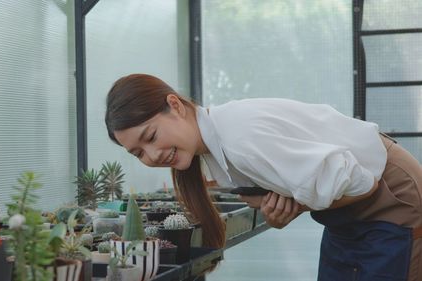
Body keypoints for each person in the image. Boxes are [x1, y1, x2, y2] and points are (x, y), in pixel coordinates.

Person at [105, 73, 422, 281]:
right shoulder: (214, 151)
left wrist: (297, 205)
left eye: (151, 136)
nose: (153, 154)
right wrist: (287, 207)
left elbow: (363, 183)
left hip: (389, 195)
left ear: (175, 106)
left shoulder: (241, 138)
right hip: (347, 213)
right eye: (138, 153)